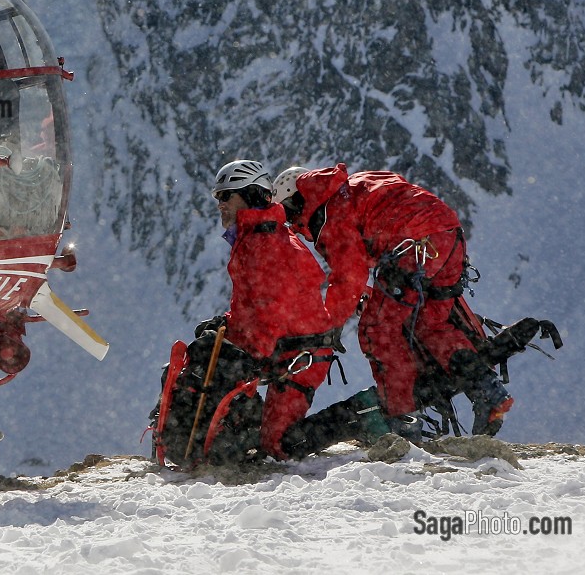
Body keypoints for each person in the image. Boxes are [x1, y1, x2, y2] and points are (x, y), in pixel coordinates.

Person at [274, 164, 513, 438]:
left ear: (298, 199)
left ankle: (402, 423)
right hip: (447, 236)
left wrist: (328, 326)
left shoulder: (328, 213)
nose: (294, 224)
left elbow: (348, 274)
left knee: (377, 332)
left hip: (412, 245)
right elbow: (371, 243)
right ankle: (489, 393)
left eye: (290, 214)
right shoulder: (352, 186)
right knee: (431, 324)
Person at [206, 160, 336, 460]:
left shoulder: (265, 240)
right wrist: (227, 326)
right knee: (262, 439)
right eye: (218, 197)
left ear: (251, 195)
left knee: (280, 444)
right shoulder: (255, 236)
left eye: (226, 196)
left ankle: (366, 415)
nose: (219, 204)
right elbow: (252, 305)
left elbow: (271, 308)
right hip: (284, 350)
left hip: (299, 355)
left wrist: (247, 354)